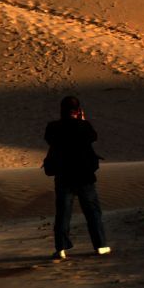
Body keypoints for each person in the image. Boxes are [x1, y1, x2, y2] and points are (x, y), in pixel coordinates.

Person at [44, 96, 110, 261]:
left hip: (63, 177)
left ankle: (61, 249)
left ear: (61, 110)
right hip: (84, 176)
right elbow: (93, 137)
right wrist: (82, 121)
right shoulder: (84, 126)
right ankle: (101, 245)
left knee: (63, 214)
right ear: (78, 110)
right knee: (93, 212)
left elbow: (49, 139)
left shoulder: (53, 127)